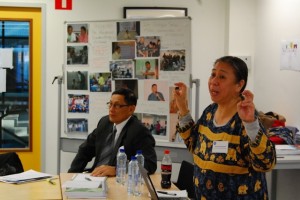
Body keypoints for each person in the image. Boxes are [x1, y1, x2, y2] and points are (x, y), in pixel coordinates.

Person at [173, 56, 276, 199]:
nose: (214, 81)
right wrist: (182, 107)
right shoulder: (210, 112)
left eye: (222, 77)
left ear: (239, 85)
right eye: (213, 74)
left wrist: (251, 124)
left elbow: (266, 164)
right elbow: (193, 144)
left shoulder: (247, 119)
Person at [68, 88, 157, 176]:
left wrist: (118, 170)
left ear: (131, 109)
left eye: (117, 105)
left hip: (119, 181)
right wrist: (71, 175)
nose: (111, 109)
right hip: (95, 177)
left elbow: (150, 164)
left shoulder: (140, 131)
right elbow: (85, 150)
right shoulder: (104, 122)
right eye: (110, 104)